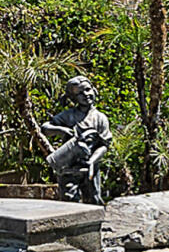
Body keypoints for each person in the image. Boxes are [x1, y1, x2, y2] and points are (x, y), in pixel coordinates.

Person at [40, 75, 114, 205]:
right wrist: (61, 130)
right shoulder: (68, 116)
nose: (86, 95)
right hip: (69, 168)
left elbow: (104, 145)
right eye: (80, 93)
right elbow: (45, 128)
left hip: (90, 167)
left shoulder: (100, 118)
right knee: (69, 201)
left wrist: (92, 161)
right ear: (73, 98)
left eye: (87, 90)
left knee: (94, 200)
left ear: (93, 90)